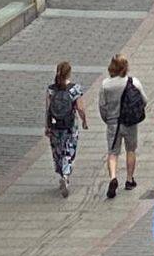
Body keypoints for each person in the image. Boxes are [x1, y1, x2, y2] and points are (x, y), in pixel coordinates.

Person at [98, 54, 147, 199]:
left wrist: (107, 119)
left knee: (113, 152)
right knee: (130, 150)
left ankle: (113, 177)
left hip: (113, 123)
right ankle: (129, 179)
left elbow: (102, 106)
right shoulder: (133, 82)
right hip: (130, 122)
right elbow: (144, 100)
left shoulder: (105, 85)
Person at [45, 61, 88, 198]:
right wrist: (84, 120)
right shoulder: (75, 89)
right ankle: (66, 174)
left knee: (57, 151)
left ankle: (61, 171)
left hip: (55, 126)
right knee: (68, 150)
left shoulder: (51, 89)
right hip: (69, 126)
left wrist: (47, 127)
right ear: (69, 73)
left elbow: (48, 109)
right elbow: (80, 108)